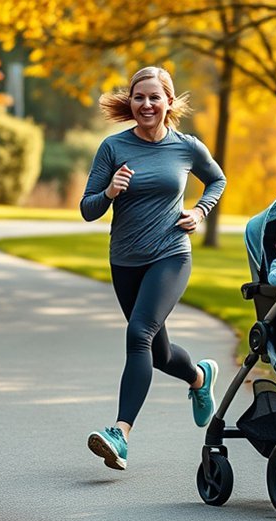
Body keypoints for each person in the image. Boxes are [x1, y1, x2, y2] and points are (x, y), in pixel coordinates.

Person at [80, 66, 226, 471]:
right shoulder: (112, 148)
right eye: (139, 98)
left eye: (154, 97)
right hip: (125, 260)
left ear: (169, 102)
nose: (146, 104)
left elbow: (216, 180)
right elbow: (87, 209)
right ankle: (199, 377)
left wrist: (200, 211)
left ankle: (120, 434)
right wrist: (109, 191)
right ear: (131, 102)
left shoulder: (186, 147)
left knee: (138, 333)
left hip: (170, 255)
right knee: (158, 353)